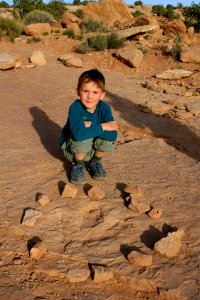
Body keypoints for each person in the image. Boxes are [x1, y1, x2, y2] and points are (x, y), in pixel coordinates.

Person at [59, 68, 118, 184]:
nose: (90, 96)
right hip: (72, 150)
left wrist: (93, 126)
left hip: (92, 149)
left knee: (107, 137)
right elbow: (78, 135)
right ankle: (78, 165)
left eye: (95, 92)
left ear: (102, 95)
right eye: (85, 91)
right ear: (78, 91)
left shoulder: (105, 108)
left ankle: (95, 162)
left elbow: (112, 135)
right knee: (83, 134)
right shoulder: (75, 108)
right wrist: (102, 126)